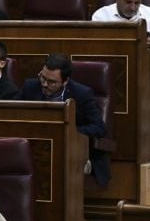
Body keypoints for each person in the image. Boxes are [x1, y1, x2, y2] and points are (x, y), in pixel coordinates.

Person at [19, 53, 109, 186]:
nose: (44, 84)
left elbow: (99, 128)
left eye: (51, 82)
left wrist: (68, 131)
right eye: (42, 78)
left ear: (65, 81)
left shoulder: (82, 94)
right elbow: (15, 116)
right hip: (36, 148)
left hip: (71, 149)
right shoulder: (30, 86)